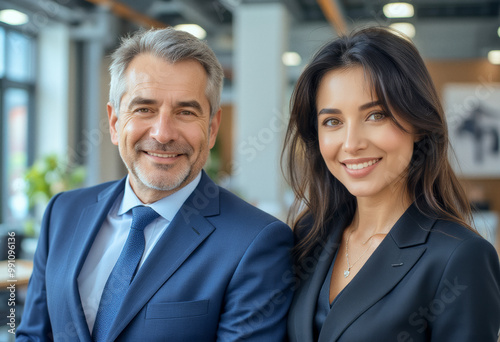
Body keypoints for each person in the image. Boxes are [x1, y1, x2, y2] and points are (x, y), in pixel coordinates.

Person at [17, 27, 293, 341]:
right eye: (144, 109)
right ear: (115, 122)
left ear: (212, 128)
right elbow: (33, 334)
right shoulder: (63, 212)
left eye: (186, 111)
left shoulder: (256, 242)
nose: (163, 134)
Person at [283, 27, 500, 342]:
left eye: (375, 115)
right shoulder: (309, 235)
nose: (351, 143)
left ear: (419, 124)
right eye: (333, 121)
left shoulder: (460, 257)